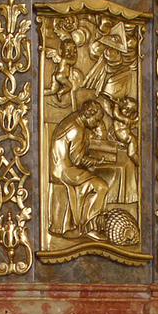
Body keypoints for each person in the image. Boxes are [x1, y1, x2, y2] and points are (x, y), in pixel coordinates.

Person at [48, 99, 110, 239]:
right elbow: (77, 159)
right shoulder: (77, 128)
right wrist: (97, 161)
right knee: (101, 186)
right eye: (96, 119)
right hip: (66, 171)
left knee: (94, 179)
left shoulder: (74, 119)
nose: (97, 123)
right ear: (88, 114)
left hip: (62, 167)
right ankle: (87, 228)